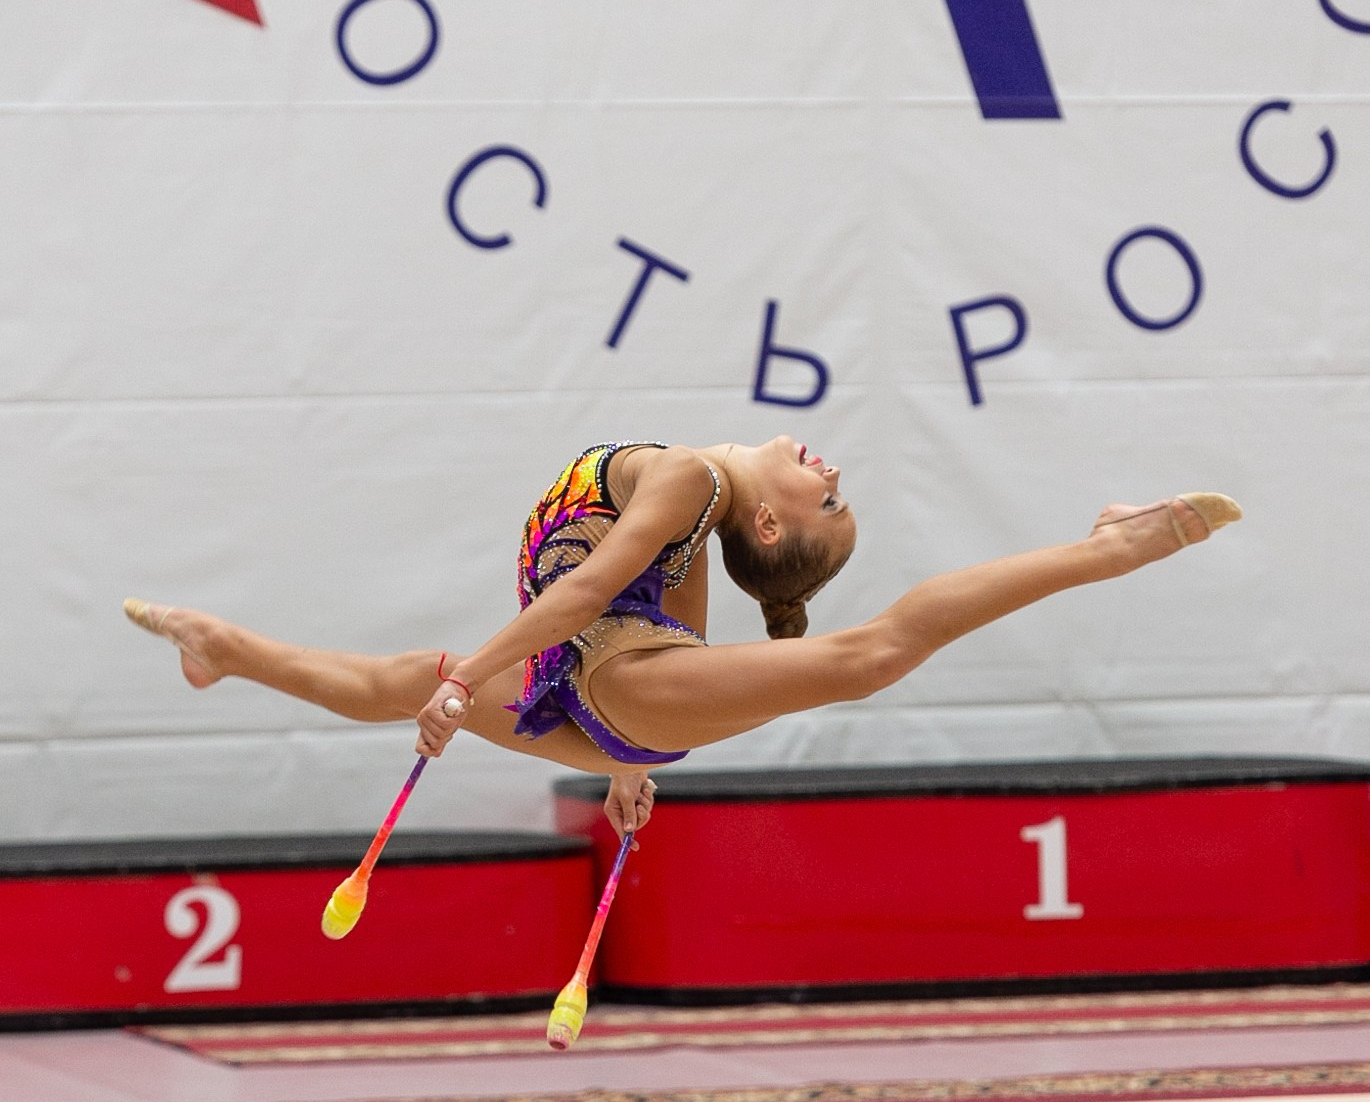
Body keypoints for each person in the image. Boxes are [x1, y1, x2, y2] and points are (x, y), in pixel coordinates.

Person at [124, 437, 1241, 842]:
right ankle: (225, 647)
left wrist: (469, 682)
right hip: (607, 698)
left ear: (769, 522)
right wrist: (624, 755)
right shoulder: (703, 508)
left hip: (606, 685)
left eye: (824, 499)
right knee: (384, 681)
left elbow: (598, 594)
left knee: (870, 655)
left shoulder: (696, 480)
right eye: (836, 490)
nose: (831, 471)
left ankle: (1107, 548)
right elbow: (648, 628)